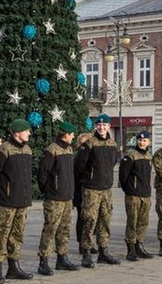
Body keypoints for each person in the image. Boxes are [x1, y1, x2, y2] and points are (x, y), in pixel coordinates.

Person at [0, 119, 34, 283]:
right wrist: (4, 189)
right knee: (1, 236)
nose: (29, 133)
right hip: (5, 202)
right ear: (16, 133)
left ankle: (13, 268)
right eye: (26, 131)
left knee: (17, 236)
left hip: (22, 200)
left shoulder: (27, 149)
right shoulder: (4, 150)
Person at [74, 114, 120, 268]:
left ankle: (103, 251)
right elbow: (79, 166)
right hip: (91, 189)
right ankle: (86, 252)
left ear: (108, 126)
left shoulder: (112, 143)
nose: (102, 127)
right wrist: (88, 179)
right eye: (99, 125)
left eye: (105, 125)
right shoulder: (89, 144)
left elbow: (113, 162)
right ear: (95, 126)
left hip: (106, 189)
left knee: (105, 220)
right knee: (89, 220)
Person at [36, 121, 80, 275]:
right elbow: (43, 173)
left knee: (64, 229)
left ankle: (62, 258)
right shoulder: (52, 149)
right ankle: (44, 261)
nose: (74, 136)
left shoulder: (68, 149)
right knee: (50, 229)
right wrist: (49, 190)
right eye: (72, 134)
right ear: (65, 135)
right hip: (54, 198)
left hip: (67, 197)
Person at [118, 130, 153, 263]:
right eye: (139, 140)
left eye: (144, 140)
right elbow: (123, 175)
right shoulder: (131, 155)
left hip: (146, 195)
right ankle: (131, 248)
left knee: (143, 222)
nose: (142, 142)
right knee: (132, 222)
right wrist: (129, 190)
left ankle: (139, 245)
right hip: (133, 195)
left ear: (148, 142)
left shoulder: (149, 156)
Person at [73, 132, 93, 256]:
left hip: (88, 189)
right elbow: (78, 172)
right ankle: (82, 243)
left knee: (90, 218)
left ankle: (89, 242)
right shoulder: (78, 155)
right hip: (80, 190)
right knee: (82, 217)